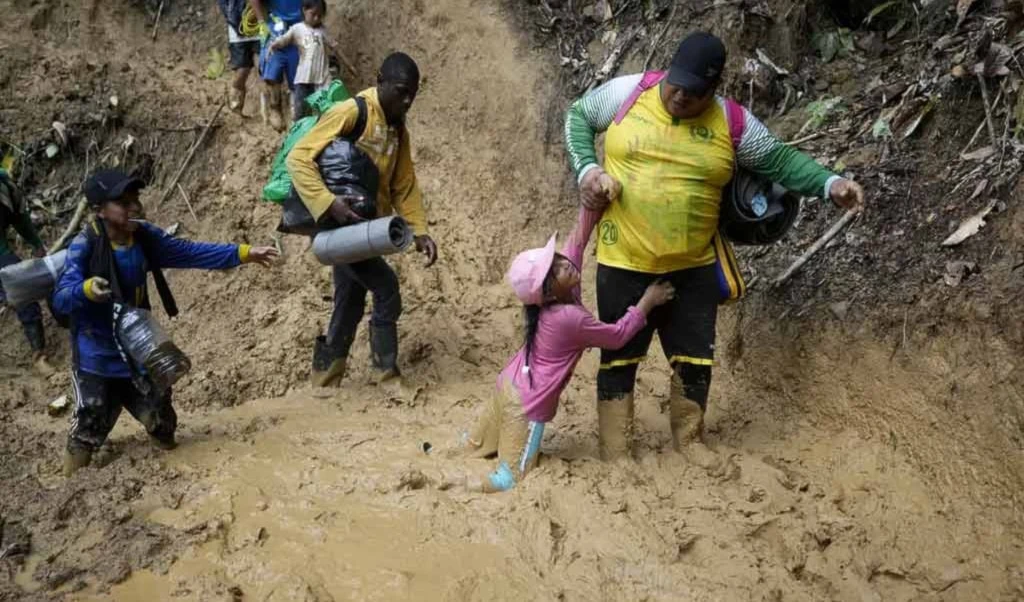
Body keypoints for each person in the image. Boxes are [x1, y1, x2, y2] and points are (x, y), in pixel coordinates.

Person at [563, 32, 866, 469]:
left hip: (694, 266)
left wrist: (829, 184)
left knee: (695, 358)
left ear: (715, 88)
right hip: (623, 258)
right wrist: (587, 169)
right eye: (675, 85)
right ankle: (616, 447)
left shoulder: (733, 121)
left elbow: (780, 162)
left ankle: (690, 440)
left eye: (694, 92)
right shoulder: (629, 92)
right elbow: (578, 117)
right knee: (620, 355)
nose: (680, 97)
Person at [53, 169, 279, 476]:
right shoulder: (85, 246)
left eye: (135, 198)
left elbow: (189, 253)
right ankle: (68, 483)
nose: (135, 206)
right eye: (123, 201)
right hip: (97, 354)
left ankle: (171, 474)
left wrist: (242, 253)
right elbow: (61, 298)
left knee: (162, 423)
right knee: (88, 428)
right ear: (100, 210)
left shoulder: (145, 238)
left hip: (138, 348)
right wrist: (86, 290)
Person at [461, 207, 675, 492]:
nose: (564, 265)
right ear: (548, 292)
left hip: (507, 385)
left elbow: (576, 242)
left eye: (557, 260)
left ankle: (444, 469)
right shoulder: (570, 319)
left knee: (471, 447)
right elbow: (617, 336)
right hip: (526, 407)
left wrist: (591, 204)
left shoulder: (560, 290)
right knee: (510, 478)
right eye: (555, 270)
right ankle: (455, 485)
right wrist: (648, 301)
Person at [287, 52, 439, 388]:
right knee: (386, 288)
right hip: (341, 228)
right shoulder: (352, 112)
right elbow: (299, 157)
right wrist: (329, 204)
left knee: (350, 300)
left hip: (364, 229)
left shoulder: (399, 130)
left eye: (412, 93)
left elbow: (404, 184)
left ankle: (324, 381)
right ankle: (386, 375)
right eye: (400, 91)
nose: (407, 100)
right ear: (379, 80)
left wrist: (420, 231)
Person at [0, 169, 56, 376]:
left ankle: (38, 355)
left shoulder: (4, 185)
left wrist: (36, 244)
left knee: (23, 290)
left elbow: (19, 218)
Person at [267, 0, 344, 121]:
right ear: (304, 10)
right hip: (304, 77)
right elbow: (284, 39)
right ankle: (299, 132)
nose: (317, 18)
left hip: (322, 77)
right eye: (313, 14)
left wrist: (348, 64)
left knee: (325, 108)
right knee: (301, 112)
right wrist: (274, 45)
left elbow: (335, 48)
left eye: (320, 15)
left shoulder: (323, 31)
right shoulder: (297, 28)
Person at [250, 0, 305, 130]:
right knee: (272, 72)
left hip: (299, 28)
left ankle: (296, 113)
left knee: (298, 74)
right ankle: (275, 107)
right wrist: (261, 22)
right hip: (276, 27)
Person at [218, 0, 262, 114]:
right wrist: (234, 20)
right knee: (242, 70)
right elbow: (224, 4)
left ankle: (269, 111)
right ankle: (235, 107)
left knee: (263, 68)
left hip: (261, 25)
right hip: (238, 29)